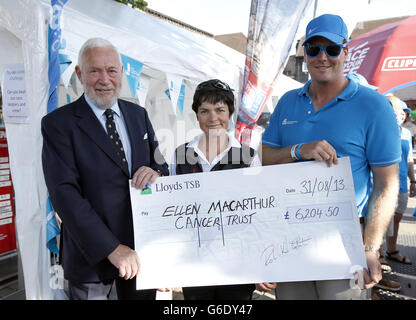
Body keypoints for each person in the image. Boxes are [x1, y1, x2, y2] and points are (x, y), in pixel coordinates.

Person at [261, 14, 401, 300]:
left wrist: (370, 248)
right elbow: (263, 159)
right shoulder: (288, 101)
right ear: (305, 54)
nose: (322, 57)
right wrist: (298, 150)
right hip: (290, 237)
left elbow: (386, 184)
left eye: (332, 49)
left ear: (345, 52)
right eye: (314, 49)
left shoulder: (373, 106)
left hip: (344, 242)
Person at [41, 38, 169, 300]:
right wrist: (112, 248)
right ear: (79, 73)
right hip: (91, 264)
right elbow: (64, 195)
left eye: (111, 70)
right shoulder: (58, 124)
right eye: (94, 70)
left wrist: (157, 173)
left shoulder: (138, 115)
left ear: (121, 73)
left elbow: (160, 164)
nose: (104, 79)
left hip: (141, 257)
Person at [170, 79, 274, 299]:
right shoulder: (180, 155)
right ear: (196, 115)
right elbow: (170, 210)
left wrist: (261, 262)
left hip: (236, 264)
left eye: (220, 110)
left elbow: (258, 214)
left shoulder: (248, 157)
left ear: (230, 114)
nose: (212, 118)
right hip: (194, 262)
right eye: (204, 111)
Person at [382, 96, 414, 266]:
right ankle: (378, 255)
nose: (403, 115)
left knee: (397, 217)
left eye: (405, 112)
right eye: (400, 111)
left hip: (401, 183)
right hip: (383, 184)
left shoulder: (407, 133)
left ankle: (391, 250)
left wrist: (413, 180)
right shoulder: (382, 129)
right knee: (381, 218)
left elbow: (409, 158)